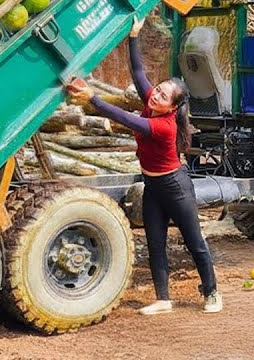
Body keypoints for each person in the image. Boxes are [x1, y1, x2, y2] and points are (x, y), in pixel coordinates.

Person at [63, 17, 221, 316]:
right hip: (153, 186)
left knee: (194, 241)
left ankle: (211, 292)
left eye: (163, 95)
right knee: (155, 241)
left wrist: (93, 98)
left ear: (172, 107)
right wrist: (133, 36)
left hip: (175, 186)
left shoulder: (162, 126)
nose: (156, 94)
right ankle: (163, 298)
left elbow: (126, 119)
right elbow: (138, 73)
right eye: (158, 89)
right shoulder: (153, 102)